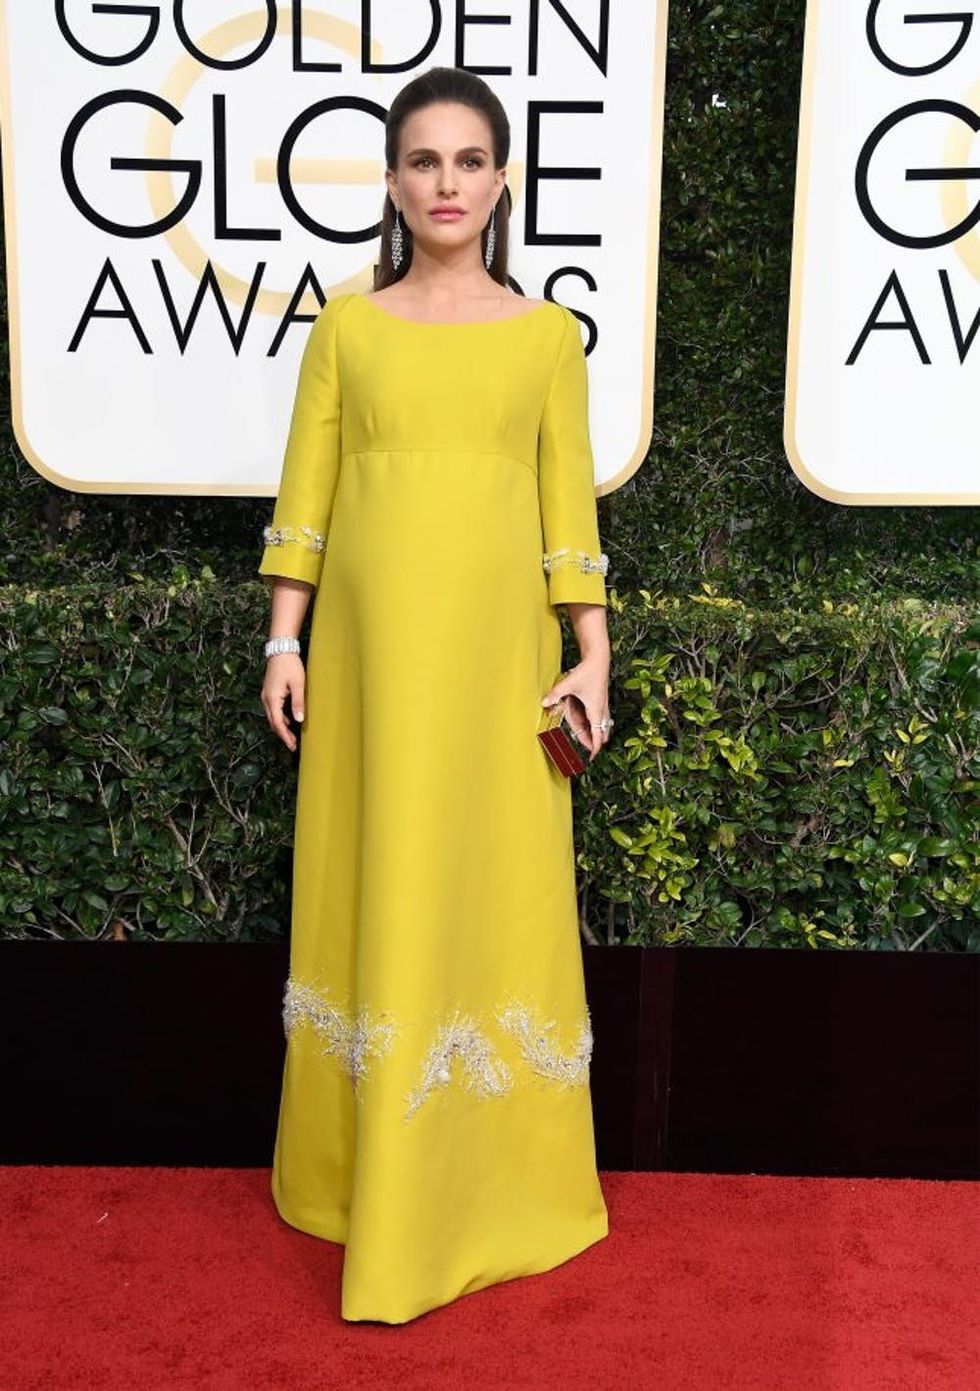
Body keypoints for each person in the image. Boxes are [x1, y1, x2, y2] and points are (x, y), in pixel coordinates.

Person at [258, 64, 612, 1325]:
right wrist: (282, 642)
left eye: (468, 160)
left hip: (491, 662)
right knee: (376, 866)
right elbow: (305, 495)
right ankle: (358, 1170)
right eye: (423, 160)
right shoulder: (345, 327)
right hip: (366, 665)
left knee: (486, 878)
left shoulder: (546, 336)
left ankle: (487, 1178)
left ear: (502, 179)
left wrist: (590, 652)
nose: (446, 182)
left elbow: (565, 509)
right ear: (393, 182)